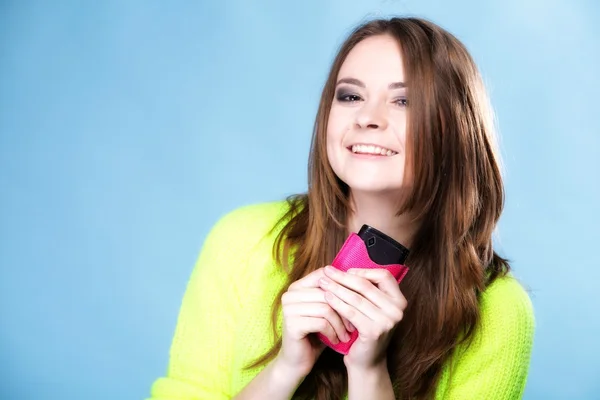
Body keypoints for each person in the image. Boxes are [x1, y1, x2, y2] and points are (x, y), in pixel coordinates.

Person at [148, 17, 535, 400]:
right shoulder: (242, 240)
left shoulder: (499, 311)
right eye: (350, 96)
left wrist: (369, 373)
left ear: (455, 127)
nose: (367, 118)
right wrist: (286, 369)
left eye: (404, 101)